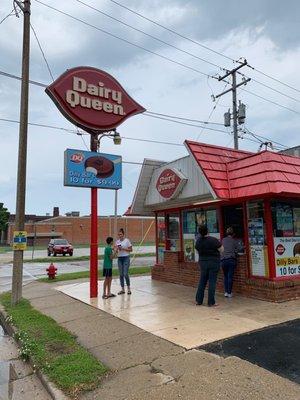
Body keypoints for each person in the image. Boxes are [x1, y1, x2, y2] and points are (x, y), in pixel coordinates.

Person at [195, 225, 223, 307]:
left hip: (203, 263)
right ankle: (211, 302)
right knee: (212, 282)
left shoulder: (198, 241)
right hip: (214, 262)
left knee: (202, 281)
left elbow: (197, 251)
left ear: (199, 232)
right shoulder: (213, 240)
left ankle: (198, 301)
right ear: (207, 231)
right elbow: (222, 249)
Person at [221, 227, 241, 298]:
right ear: (233, 234)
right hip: (231, 260)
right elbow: (239, 249)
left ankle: (226, 292)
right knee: (230, 277)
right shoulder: (234, 241)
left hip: (223, 260)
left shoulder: (223, 240)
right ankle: (229, 292)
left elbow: (221, 249)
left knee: (225, 276)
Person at [115, 228, 133, 295]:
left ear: (123, 234)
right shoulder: (117, 242)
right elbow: (116, 251)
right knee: (121, 274)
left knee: (125, 273)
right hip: (120, 258)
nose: (120, 236)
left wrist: (123, 248)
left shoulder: (127, 241)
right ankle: (122, 289)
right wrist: (116, 249)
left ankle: (128, 288)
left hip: (126, 258)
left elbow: (131, 249)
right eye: (119, 234)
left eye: (121, 234)